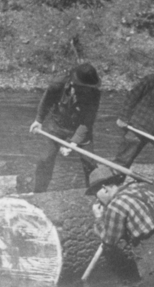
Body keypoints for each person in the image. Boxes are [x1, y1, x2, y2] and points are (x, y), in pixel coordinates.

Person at [88, 166, 154, 287]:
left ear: (104, 189)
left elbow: (109, 241)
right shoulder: (145, 192)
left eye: (97, 195)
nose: (98, 201)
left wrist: (99, 218)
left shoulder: (116, 205)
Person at [29, 62, 101, 192]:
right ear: (74, 83)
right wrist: (38, 120)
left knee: (89, 162)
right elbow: (46, 101)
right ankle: (39, 193)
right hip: (57, 125)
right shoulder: (57, 84)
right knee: (45, 159)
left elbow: (87, 121)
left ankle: (94, 193)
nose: (87, 91)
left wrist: (73, 143)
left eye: (90, 87)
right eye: (84, 88)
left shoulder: (94, 94)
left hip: (80, 128)